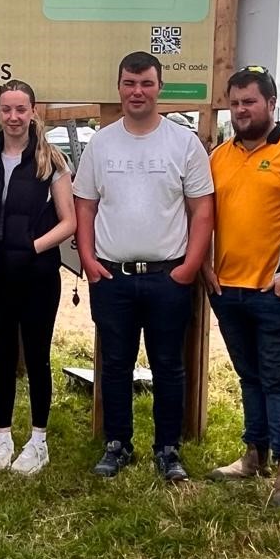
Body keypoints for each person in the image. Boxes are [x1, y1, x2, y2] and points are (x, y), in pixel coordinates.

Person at [74, 52, 214, 481]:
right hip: (112, 276)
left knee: (169, 365)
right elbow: (84, 205)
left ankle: (168, 448)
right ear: (119, 87)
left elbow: (202, 209)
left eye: (146, 83)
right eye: (130, 84)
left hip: (167, 277)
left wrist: (190, 266)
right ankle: (117, 444)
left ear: (160, 88)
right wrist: (87, 257)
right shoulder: (102, 143)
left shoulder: (183, 143)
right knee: (114, 363)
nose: (138, 92)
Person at [204, 66, 280, 505]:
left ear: (271, 104)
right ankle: (253, 454)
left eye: (250, 101)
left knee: (278, 379)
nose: (241, 110)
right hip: (226, 290)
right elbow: (203, 217)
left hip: (274, 291)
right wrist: (205, 267)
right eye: (235, 102)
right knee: (249, 377)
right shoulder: (218, 156)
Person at [0, 80, 75, 474]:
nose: (13, 117)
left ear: (33, 112)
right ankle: (2, 438)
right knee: (2, 358)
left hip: (37, 279)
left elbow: (69, 223)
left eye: (21, 109)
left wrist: (31, 248)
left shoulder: (52, 161)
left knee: (36, 357)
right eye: (6, 109)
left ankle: (38, 441)